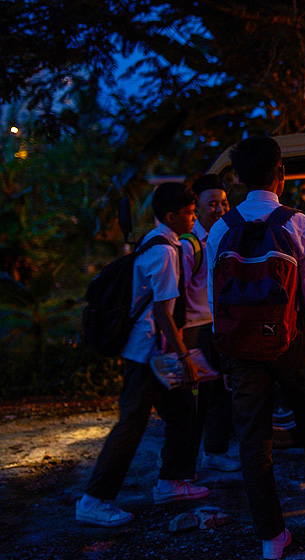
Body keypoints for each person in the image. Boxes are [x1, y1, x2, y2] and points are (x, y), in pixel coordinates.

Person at [206, 136, 305, 560]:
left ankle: (271, 537)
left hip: (240, 347)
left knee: (254, 441)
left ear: (237, 178)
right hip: (293, 344)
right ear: (282, 174)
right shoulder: (297, 224)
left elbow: (212, 300)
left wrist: (225, 354)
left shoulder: (219, 229)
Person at [75, 183, 208, 527]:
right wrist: (185, 358)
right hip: (147, 353)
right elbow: (163, 314)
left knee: (182, 413)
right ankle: (94, 500)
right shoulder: (165, 252)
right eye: (190, 213)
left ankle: (171, 483)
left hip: (152, 352)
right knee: (131, 426)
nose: (194, 218)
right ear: (171, 216)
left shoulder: (158, 240)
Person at [181, 174, 237, 473]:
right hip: (195, 330)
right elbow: (177, 293)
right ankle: (183, 467)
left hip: (220, 324)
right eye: (212, 203)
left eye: (224, 203)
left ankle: (215, 451)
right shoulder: (190, 245)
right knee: (198, 399)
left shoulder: (225, 235)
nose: (219, 209)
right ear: (197, 207)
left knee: (223, 391)